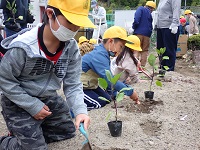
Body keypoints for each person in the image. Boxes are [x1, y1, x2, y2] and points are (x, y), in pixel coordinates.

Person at [0, 0, 95, 149]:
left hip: (47, 98)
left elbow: (73, 84)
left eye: (79, 23)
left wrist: (80, 111)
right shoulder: (23, 47)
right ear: (50, 14)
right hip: (17, 100)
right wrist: (32, 106)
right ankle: (7, 142)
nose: (75, 29)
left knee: (67, 132)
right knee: (36, 148)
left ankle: (30, 132)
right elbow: (4, 80)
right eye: (70, 22)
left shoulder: (71, 48)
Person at [81, 26, 140, 110]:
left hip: (91, 86)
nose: (120, 50)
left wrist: (115, 93)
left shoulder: (103, 53)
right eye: (120, 46)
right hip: (81, 87)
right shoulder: (99, 55)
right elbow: (109, 80)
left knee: (107, 99)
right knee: (98, 104)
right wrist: (130, 91)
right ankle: (72, 108)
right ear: (111, 41)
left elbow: (107, 79)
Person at [156, 0, 181, 71]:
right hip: (160, 26)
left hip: (169, 27)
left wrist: (175, 24)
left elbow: (176, 10)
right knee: (160, 48)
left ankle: (169, 68)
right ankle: (162, 66)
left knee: (169, 49)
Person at [132, 1, 156, 71]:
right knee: (144, 50)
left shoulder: (140, 9)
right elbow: (150, 25)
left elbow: (136, 19)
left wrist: (134, 27)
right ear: (151, 8)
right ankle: (141, 67)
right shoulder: (150, 14)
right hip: (147, 35)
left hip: (138, 33)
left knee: (136, 50)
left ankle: (134, 66)